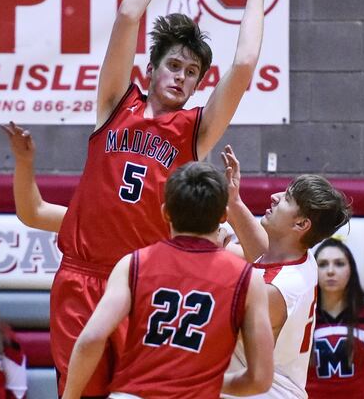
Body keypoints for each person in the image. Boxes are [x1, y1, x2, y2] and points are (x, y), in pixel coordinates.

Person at [33, 0, 275, 393]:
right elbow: (128, 14)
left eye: (191, 74)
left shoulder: (194, 131)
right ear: (151, 69)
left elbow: (244, 65)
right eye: (175, 66)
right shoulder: (113, 105)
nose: (181, 78)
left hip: (142, 283)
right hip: (81, 277)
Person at [62, 162, 274, 399]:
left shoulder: (134, 263)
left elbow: (91, 338)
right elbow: (259, 380)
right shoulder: (248, 278)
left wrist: (70, 396)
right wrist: (204, 383)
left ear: (165, 212)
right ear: (224, 215)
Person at [220, 145, 352, 399]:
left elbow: (210, 326)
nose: (275, 196)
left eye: (288, 198)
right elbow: (258, 252)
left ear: (301, 224)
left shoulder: (278, 290)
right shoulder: (299, 257)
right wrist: (234, 201)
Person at [305, 238, 364, 399]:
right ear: (313, 270)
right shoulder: (302, 321)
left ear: (350, 270)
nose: (330, 271)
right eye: (323, 264)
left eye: (339, 263)